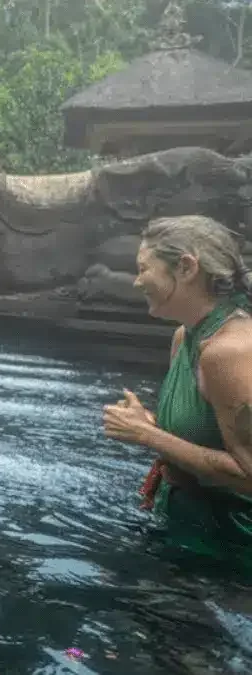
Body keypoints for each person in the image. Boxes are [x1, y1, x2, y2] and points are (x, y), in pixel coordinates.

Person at [103, 215, 252, 559]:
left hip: (232, 547)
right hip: (186, 523)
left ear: (186, 268)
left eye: (144, 269)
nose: (137, 282)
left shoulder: (228, 352)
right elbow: (205, 436)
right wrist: (150, 423)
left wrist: (147, 435)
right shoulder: (185, 336)